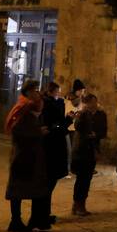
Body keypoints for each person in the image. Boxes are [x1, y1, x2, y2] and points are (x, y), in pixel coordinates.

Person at [5, 78, 50, 232]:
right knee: (17, 190)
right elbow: (16, 129)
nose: (38, 93)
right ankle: (15, 221)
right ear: (28, 92)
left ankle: (35, 220)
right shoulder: (23, 108)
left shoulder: (34, 108)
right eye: (35, 90)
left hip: (33, 155)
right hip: (22, 155)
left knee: (33, 188)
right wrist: (38, 132)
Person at [70, 92, 108, 216]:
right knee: (81, 178)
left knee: (87, 178)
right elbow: (78, 126)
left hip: (92, 149)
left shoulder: (101, 114)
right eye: (90, 103)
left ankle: (81, 204)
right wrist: (82, 114)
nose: (93, 105)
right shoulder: (82, 114)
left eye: (94, 102)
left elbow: (103, 130)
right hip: (81, 149)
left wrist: (96, 134)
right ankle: (77, 204)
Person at [41, 79, 68, 224]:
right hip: (52, 148)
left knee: (49, 183)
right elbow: (57, 125)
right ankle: (43, 214)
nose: (60, 95)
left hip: (53, 146)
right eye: (58, 92)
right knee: (48, 183)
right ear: (52, 92)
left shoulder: (51, 104)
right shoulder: (50, 105)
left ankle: (45, 213)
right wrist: (67, 120)